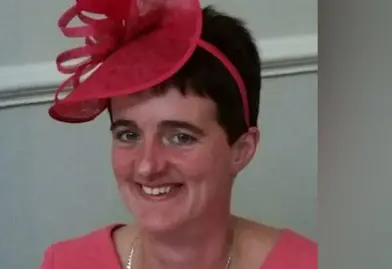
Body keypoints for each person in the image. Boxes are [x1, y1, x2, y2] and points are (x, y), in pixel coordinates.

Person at [40, 1, 317, 268]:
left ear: (241, 150)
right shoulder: (65, 263)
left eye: (180, 137)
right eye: (128, 135)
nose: (147, 166)